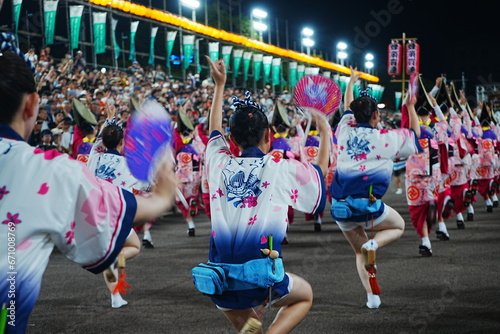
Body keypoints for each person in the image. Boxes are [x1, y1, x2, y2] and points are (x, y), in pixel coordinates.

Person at [0, 33, 176, 333]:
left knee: (112, 250)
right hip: (102, 207)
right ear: (31, 105)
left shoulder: (90, 156)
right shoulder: (50, 169)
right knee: (121, 247)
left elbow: (97, 145)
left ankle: (116, 287)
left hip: (92, 207)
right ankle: (115, 279)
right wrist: (164, 190)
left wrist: (109, 122)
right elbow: (144, 194)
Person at [200, 56, 329, 333]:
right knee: (304, 296)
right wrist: (325, 129)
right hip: (262, 279)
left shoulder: (218, 163)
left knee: (250, 330)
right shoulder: (278, 168)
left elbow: (213, 131)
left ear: (231, 140)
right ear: (268, 136)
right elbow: (318, 177)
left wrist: (219, 86)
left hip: (220, 279)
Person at [329, 67, 422, 309]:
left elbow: (348, 108)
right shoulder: (385, 139)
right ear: (376, 117)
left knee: (359, 253)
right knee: (399, 226)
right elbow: (414, 135)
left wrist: (350, 83)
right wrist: (410, 107)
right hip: (369, 205)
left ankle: (373, 298)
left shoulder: (345, 130)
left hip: (341, 206)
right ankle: (375, 244)